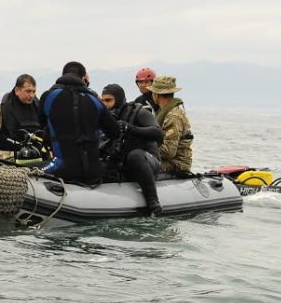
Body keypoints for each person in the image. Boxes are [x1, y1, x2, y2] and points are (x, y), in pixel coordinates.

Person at [38, 61, 120, 185]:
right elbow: (115, 132)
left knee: (25, 169)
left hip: (62, 169)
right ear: (83, 79)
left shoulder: (48, 97)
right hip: (93, 172)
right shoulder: (95, 101)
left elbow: (42, 123)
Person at [99, 83, 164, 215]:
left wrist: (131, 128)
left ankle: (153, 201)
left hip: (147, 161)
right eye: (102, 101)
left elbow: (158, 134)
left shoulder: (138, 112)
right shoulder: (106, 118)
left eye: (108, 100)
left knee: (135, 156)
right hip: (123, 163)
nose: (105, 104)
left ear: (118, 99)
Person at [148, 76, 193, 173]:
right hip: (169, 161)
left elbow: (169, 151)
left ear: (157, 94)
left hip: (176, 164)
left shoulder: (173, 116)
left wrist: (145, 147)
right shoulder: (164, 112)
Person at [0, 74, 41, 151]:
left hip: (34, 149)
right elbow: (0, 137)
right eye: (28, 91)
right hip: (11, 150)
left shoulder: (37, 105)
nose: (31, 95)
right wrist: (22, 147)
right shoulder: (6, 106)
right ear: (17, 91)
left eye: (34, 91)